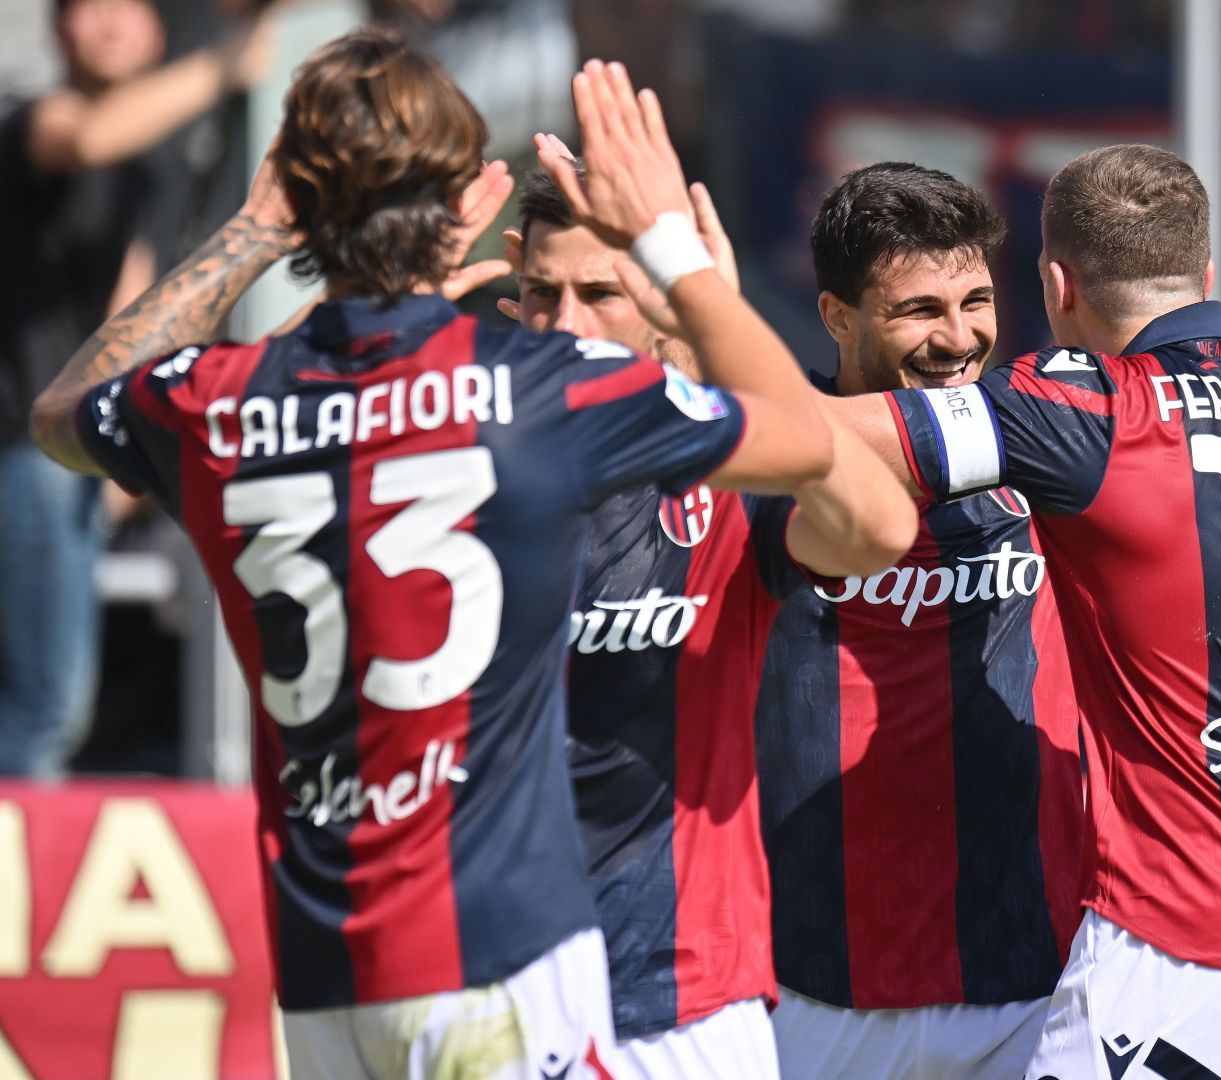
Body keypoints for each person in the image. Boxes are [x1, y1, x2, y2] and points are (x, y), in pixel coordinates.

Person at [29, 38, 849, 1077]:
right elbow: (803, 437)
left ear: (301, 190)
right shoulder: (533, 384)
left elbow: (61, 416)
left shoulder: (217, 400)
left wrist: (250, 231)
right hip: (497, 951)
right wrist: (676, 257)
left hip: (329, 977)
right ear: (457, 193)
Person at [831, 143, 1221, 1079]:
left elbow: (816, 434)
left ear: (1056, 283)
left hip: (1181, 947)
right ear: (1206, 274)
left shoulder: (1077, 413)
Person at [506, 151, 915, 1077]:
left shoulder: (720, 474)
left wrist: (716, 317)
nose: (564, 326)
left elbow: (879, 526)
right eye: (541, 294)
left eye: (601, 294)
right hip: (497, 994)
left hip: (683, 1001)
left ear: (663, 314)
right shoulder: (452, 470)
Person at [755, 162, 1084, 1078]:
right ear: (837, 317)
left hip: (1029, 981)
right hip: (815, 986)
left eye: (974, 300)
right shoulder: (767, 470)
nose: (958, 337)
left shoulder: (1048, 453)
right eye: (919, 311)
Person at [0, 0, 273, 777]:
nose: (114, 22)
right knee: (42, 707)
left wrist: (123, 459)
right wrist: (225, 63)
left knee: (50, 702)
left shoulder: (140, 177)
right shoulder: (33, 123)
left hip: (61, 464)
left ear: (157, 31)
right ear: (58, 30)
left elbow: (135, 312)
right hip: (23, 459)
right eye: (92, 6)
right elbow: (87, 134)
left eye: (132, 7)